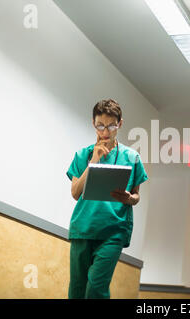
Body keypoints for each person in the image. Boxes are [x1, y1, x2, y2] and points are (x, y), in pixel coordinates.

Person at [66, 99, 148, 299]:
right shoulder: (82, 155)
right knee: (77, 289)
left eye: (111, 126)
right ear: (93, 124)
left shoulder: (132, 157)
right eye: (100, 126)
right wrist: (94, 161)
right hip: (83, 228)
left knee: (95, 287)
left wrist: (129, 198)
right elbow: (76, 193)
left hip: (113, 231)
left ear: (119, 124)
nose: (105, 132)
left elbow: (136, 196)